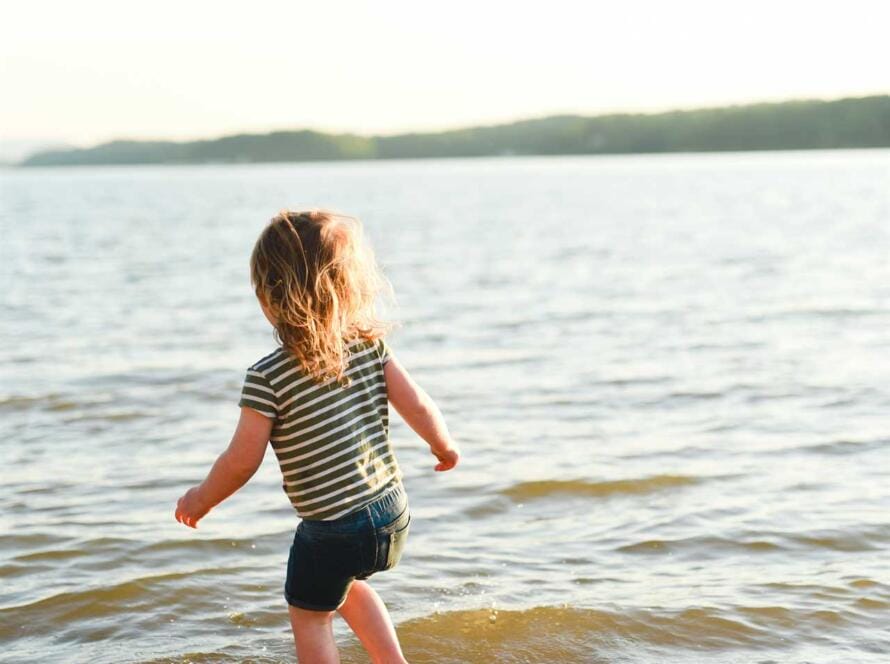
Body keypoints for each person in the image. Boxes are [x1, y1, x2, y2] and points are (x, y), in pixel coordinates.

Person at [174, 209, 461, 663]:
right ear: (346, 286)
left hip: (333, 530)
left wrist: (201, 498)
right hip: (391, 514)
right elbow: (419, 405)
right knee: (343, 586)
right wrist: (443, 445)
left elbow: (240, 461)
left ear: (270, 296)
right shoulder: (370, 346)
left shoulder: (267, 377)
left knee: (310, 613)